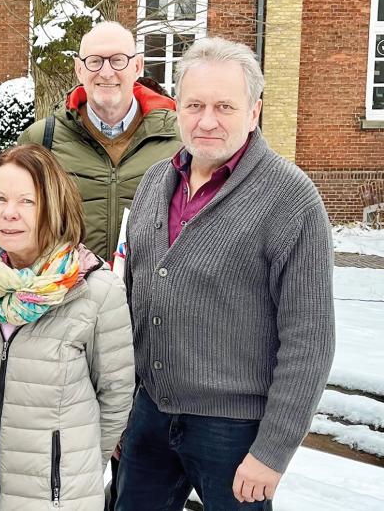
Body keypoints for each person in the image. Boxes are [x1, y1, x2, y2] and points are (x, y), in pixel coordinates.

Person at [116, 37, 335, 510]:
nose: (207, 120)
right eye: (194, 105)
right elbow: (132, 298)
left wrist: (272, 451)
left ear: (254, 111)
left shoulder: (291, 199)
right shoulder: (157, 181)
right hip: (150, 417)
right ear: (177, 109)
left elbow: (310, 337)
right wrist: (123, 414)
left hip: (235, 433)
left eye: (224, 106)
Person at [0, 144, 135, 510]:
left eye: (27, 202)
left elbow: (115, 397)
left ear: (54, 205)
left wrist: (69, 472)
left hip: (57, 498)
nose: (9, 214)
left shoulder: (95, 289)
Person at [18, 21, 181, 262]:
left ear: (137, 66)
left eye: (118, 60)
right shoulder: (41, 140)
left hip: (152, 295)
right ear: (79, 69)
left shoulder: (179, 139)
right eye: (94, 61)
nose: (106, 72)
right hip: (71, 294)